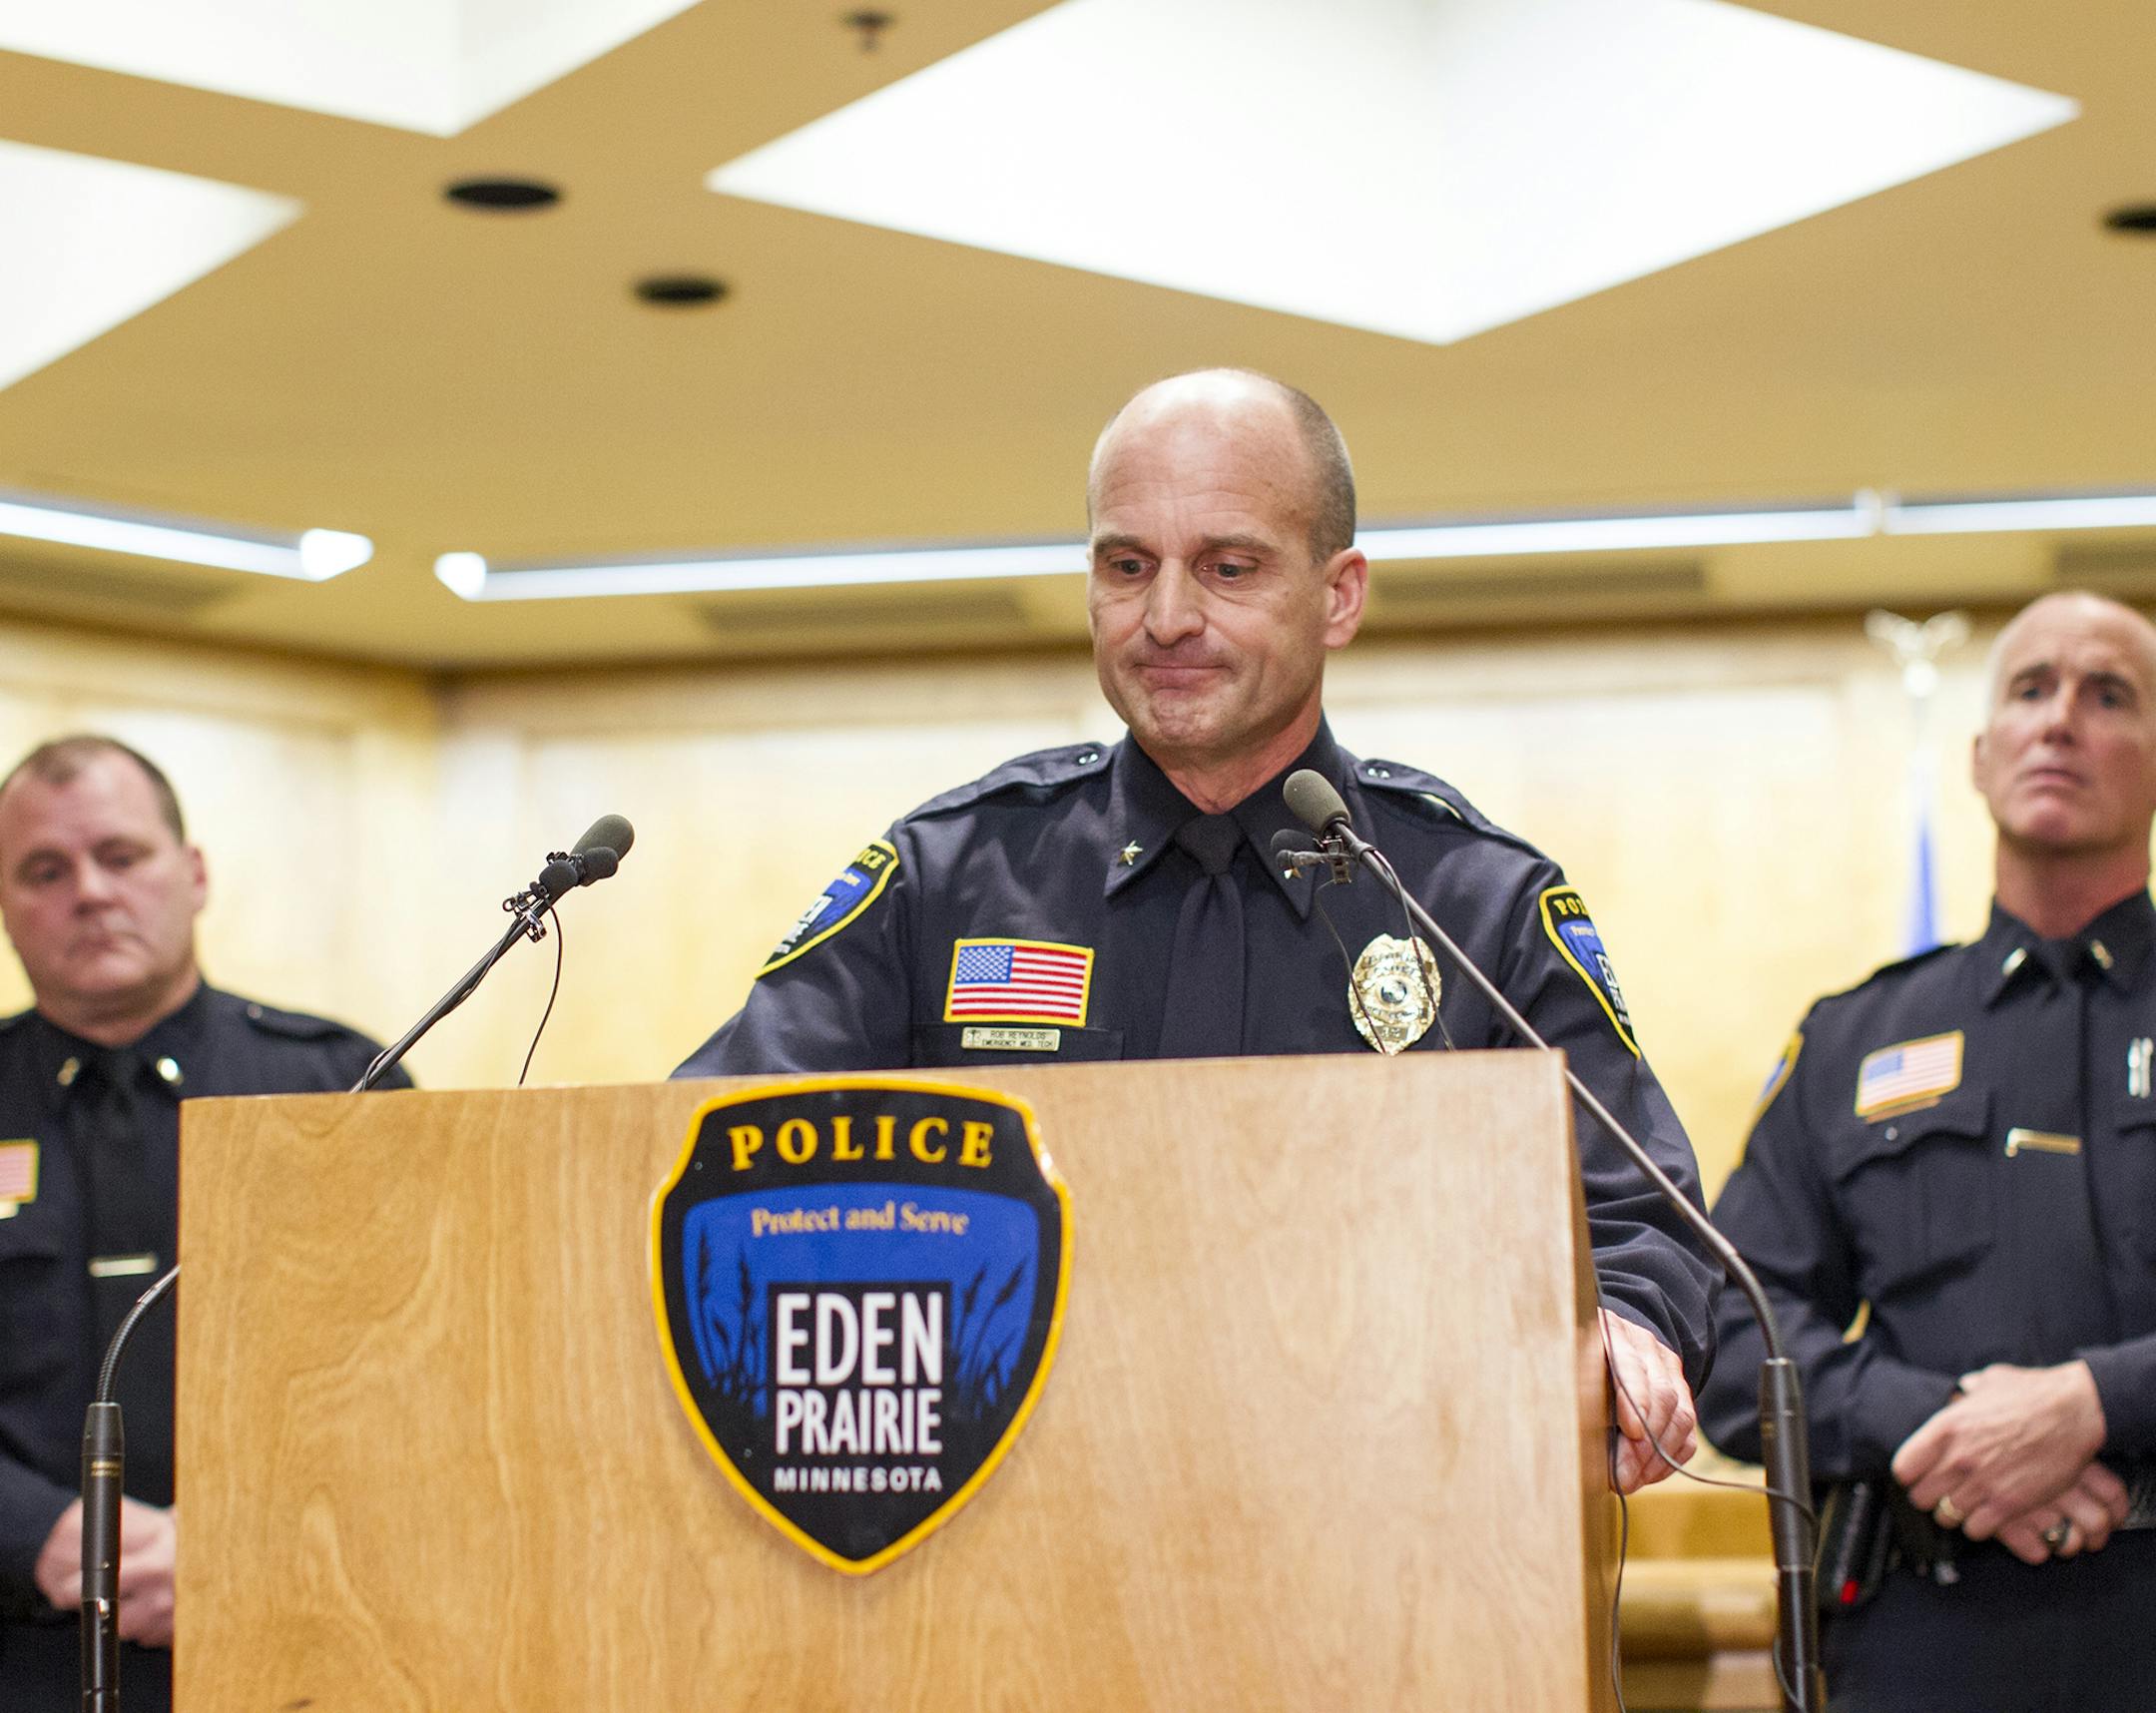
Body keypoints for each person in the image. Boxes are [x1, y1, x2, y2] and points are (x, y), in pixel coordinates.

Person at [677, 368, 1718, 1492]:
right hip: (1001, 1551)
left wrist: (1629, 1330)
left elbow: (1637, 1219)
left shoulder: (1472, 903)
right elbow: (707, 1148)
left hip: (1393, 1542)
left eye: (1228, 567)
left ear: (1340, 595)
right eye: (1127, 567)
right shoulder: (951, 879)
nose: (1167, 617)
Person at [1701, 591, 2156, 1710]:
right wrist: (1945, 1423)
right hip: (1928, 1636)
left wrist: (2099, 1403)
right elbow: (1730, 1336)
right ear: (1980, 753)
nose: (2060, 721)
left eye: (2110, 695)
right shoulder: (1856, 1037)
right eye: (2030, 690)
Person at [0, 736, 408, 1713]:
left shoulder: (338, 1085)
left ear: (193, 874)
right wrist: (32, 1530)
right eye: (44, 871)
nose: (89, 893)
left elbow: (422, 1374)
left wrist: (238, 1541)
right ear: (6, 905)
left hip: (304, 1643)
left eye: (121, 855)